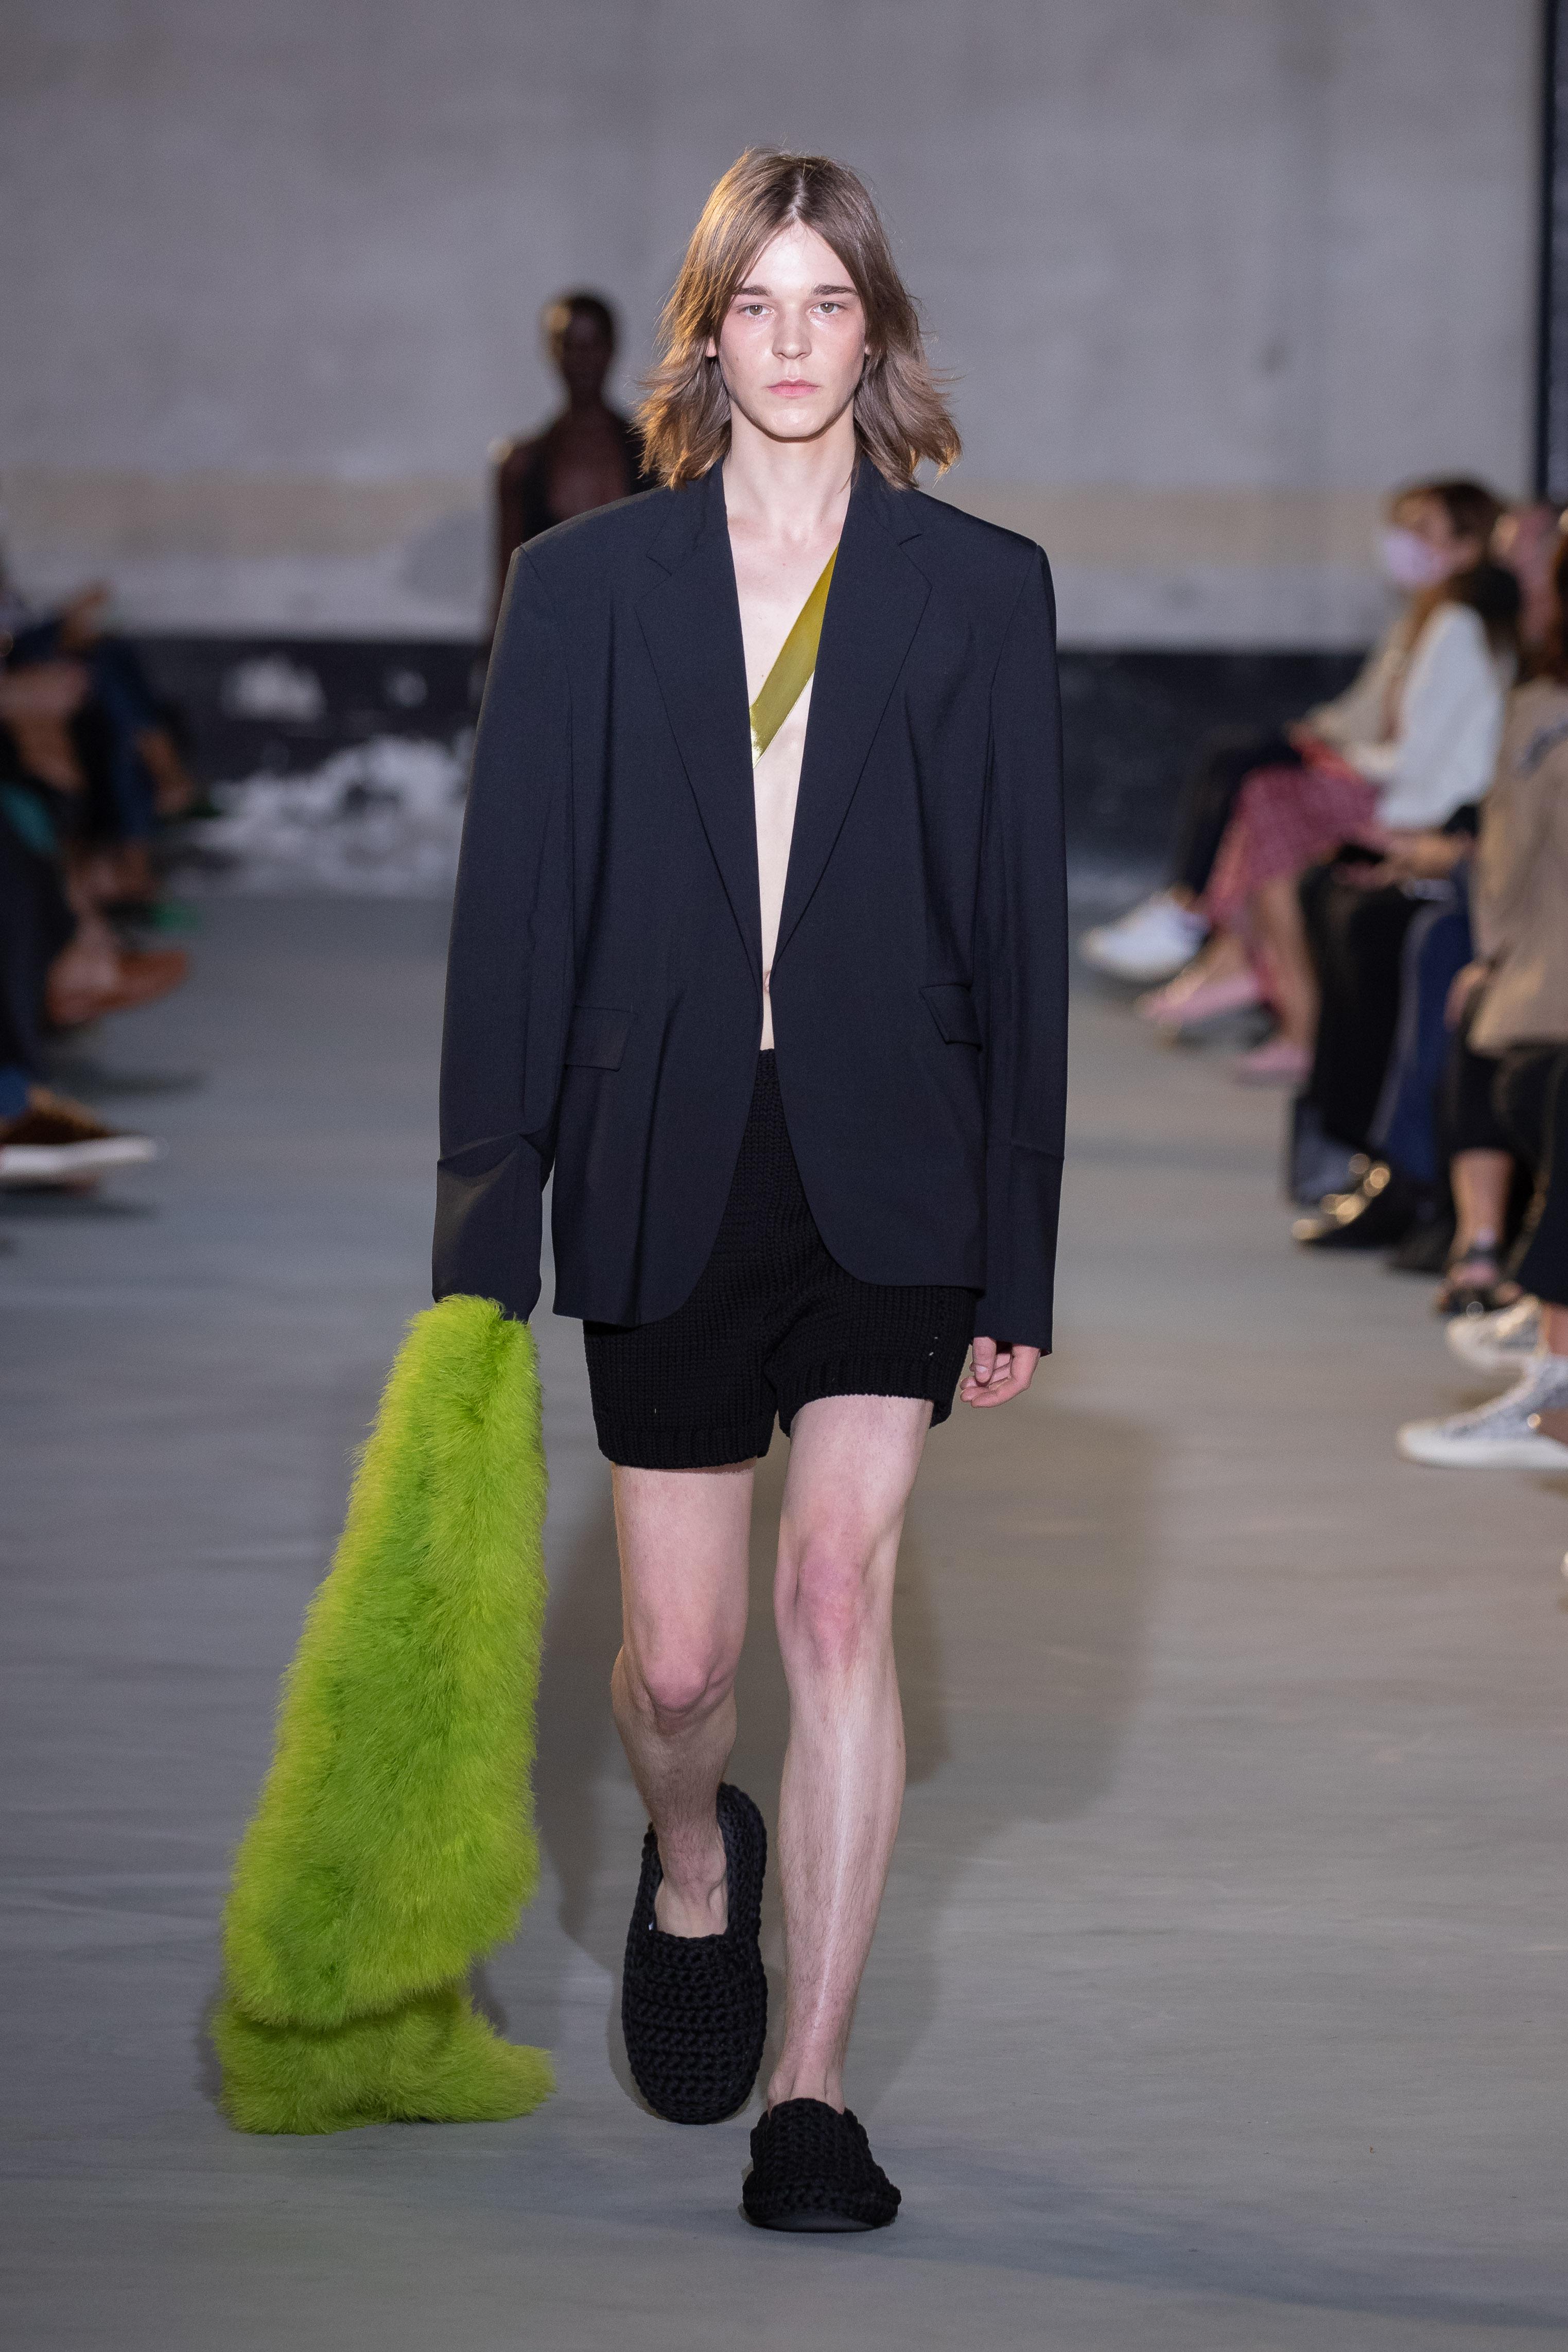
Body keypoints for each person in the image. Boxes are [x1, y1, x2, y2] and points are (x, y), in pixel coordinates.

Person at [437, 149, 1067, 2229]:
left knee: (834, 1597)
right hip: (661, 1158)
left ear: (873, 331)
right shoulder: (588, 587)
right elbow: (513, 923)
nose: (791, 341)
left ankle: (810, 2086)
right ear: (705, 330)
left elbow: (1015, 930)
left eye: (828, 302)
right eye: (756, 303)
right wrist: (479, 1233)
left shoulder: (977, 587)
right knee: (689, 1663)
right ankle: (694, 1856)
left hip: (897, 1159)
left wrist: (1018, 1252)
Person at [490, 291, 652, 632]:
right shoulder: (522, 465)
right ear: (553, 352)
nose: (583, 360)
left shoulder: (656, 458)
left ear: (610, 350)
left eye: (592, 345)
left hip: (633, 644)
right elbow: (506, 590)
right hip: (553, 644)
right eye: (571, 346)